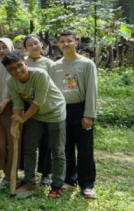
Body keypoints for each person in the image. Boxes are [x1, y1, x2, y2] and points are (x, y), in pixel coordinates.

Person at [3, 49, 67, 198]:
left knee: (57, 150)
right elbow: (17, 104)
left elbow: (38, 102)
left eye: (20, 65)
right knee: (29, 147)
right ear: (7, 71)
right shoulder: (11, 82)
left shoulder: (39, 74)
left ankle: (57, 185)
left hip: (55, 113)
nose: (17, 71)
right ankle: (29, 181)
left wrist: (23, 119)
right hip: (36, 115)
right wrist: (15, 124)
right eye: (12, 69)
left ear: (25, 63)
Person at [48, 30, 98, 199]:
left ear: (76, 42)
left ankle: (88, 184)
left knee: (85, 149)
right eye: (62, 41)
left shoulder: (87, 64)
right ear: (58, 44)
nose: (66, 44)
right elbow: (52, 91)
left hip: (82, 109)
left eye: (69, 41)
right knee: (65, 147)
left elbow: (92, 90)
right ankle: (69, 179)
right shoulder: (55, 66)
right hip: (62, 110)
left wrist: (89, 114)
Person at [23, 34, 54, 185]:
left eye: (36, 43)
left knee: (46, 143)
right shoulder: (23, 62)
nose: (34, 46)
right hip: (27, 105)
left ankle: (46, 174)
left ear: (42, 45)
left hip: (46, 107)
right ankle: (28, 174)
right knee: (29, 142)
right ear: (25, 49)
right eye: (30, 45)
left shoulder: (49, 64)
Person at [0, 38, 17, 188]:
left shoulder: (16, 65)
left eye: (4, 47)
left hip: (12, 109)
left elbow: (20, 88)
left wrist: (6, 101)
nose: (1, 51)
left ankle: (10, 176)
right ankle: (2, 171)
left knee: (13, 144)